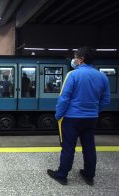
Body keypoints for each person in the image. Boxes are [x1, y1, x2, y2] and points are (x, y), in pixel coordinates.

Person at [47, 47, 110, 185]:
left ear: (81, 59)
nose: (73, 59)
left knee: (68, 147)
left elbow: (64, 98)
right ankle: (89, 174)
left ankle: (62, 175)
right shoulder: (102, 76)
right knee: (89, 146)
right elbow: (106, 100)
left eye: (75, 56)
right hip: (91, 119)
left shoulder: (73, 75)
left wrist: (58, 115)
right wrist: (94, 111)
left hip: (71, 119)